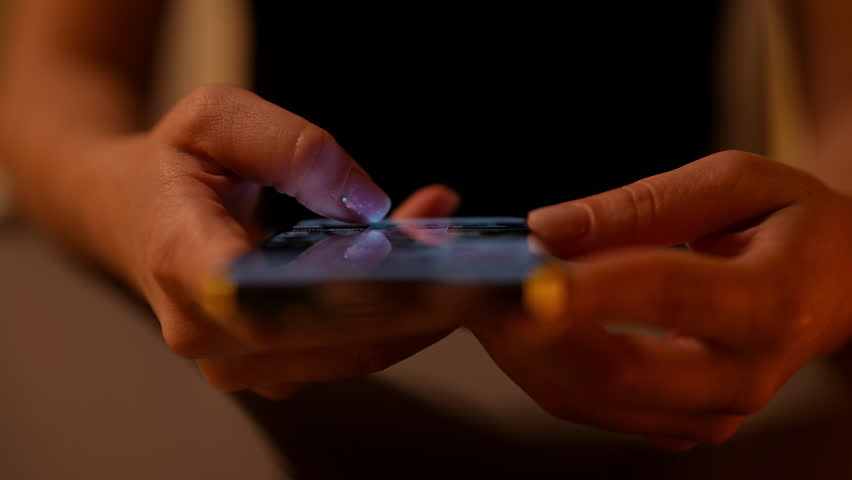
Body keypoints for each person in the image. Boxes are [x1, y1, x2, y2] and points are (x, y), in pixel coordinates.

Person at [2, 0, 852, 452]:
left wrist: (836, 262)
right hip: (308, 389)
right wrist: (138, 206)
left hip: (668, 341)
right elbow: (55, 72)